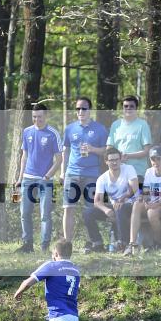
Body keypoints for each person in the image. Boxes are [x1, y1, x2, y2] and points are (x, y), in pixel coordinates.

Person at [61, 97, 108, 242]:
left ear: (90, 110)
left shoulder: (100, 129)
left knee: (90, 210)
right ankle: (67, 242)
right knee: (68, 208)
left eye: (84, 108)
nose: (80, 111)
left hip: (92, 174)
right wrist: (63, 172)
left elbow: (106, 151)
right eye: (78, 109)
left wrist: (92, 149)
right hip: (72, 173)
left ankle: (91, 242)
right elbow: (66, 151)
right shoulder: (70, 128)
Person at [17, 104, 62, 253]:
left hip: (45, 180)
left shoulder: (52, 134)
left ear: (46, 115)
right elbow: (24, 156)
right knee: (24, 213)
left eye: (40, 117)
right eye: (34, 117)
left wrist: (47, 176)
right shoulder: (27, 131)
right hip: (27, 178)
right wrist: (20, 177)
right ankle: (27, 244)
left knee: (45, 214)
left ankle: (44, 246)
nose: (37, 120)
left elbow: (59, 159)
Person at [83, 147, 138, 253]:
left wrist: (123, 198)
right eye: (111, 160)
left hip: (130, 204)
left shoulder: (128, 168)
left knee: (120, 208)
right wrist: (106, 210)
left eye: (117, 159)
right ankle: (97, 242)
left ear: (120, 159)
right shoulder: (102, 178)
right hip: (114, 207)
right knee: (87, 213)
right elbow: (97, 201)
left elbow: (135, 189)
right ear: (106, 162)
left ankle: (123, 243)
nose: (114, 162)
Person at [125, 145, 161, 255]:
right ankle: (132, 243)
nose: (156, 162)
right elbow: (146, 190)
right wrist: (147, 200)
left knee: (152, 213)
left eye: (159, 158)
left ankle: (158, 241)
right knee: (137, 204)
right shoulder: (149, 171)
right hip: (152, 202)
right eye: (153, 159)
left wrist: (156, 203)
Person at [106, 95, 152, 182]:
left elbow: (147, 151)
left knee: (139, 196)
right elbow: (109, 148)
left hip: (138, 173)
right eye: (126, 106)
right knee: (119, 196)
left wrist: (127, 156)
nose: (128, 108)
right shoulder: (115, 125)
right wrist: (118, 157)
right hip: (118, 172)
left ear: (136, 109)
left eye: (132, 106)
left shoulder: (143, 124)